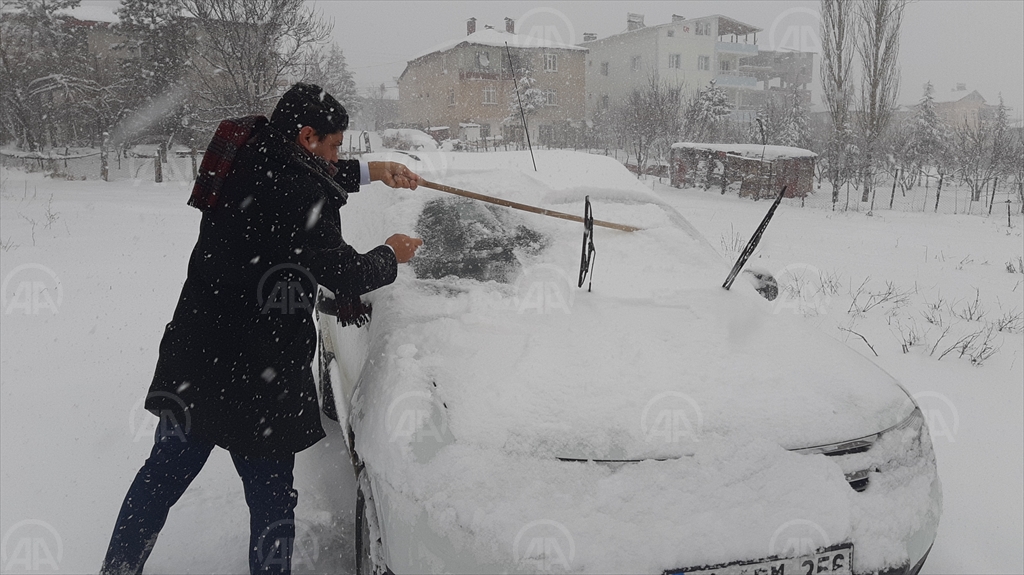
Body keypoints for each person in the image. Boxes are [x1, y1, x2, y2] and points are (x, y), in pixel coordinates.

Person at [101, 83, 423, 575]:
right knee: (272, 503)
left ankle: (116, 569)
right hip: (260, 373)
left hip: (198, 353)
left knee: (161, 477)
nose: (338, 156)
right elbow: (344, 272)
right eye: (335, 145)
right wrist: (391, 254)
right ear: (307, 136)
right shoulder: (300, 193)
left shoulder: (247, 148)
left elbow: (316, 175)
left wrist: (375, 171)